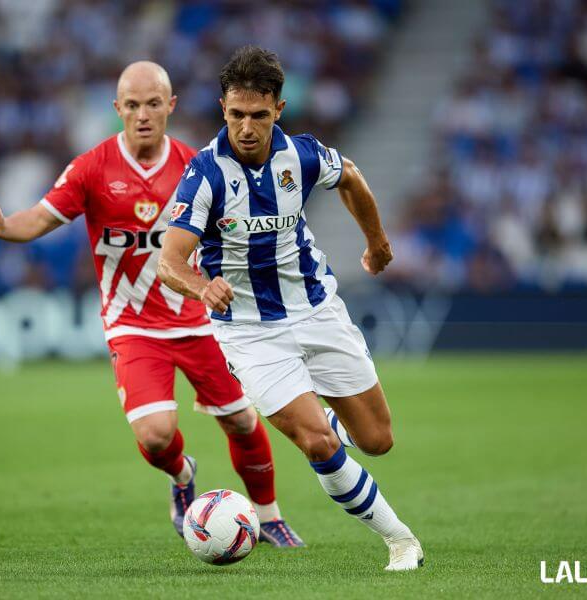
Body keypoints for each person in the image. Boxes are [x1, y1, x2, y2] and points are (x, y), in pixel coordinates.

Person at [0, 61, 303, 547]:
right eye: (132, 105)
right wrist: (5, 227)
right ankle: (182, 473)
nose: (143, 114)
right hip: (133, 326)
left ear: (170, 106)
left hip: (200, 321)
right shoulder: (91, 168)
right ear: (117, 110)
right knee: (154, 436)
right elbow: (39, 220)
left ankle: (270, 516)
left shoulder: (198, 166)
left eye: (153, 104)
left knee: (242, 419)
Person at [157, 46, 423, 570]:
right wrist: (201, 287)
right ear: (222, 109)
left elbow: (349, 176)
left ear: (278, 109)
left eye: (258, 115)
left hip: (317, 309)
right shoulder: (205, 175)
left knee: (377, 441)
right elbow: (169, 260)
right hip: (249, 332)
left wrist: (377, 241)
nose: (247, 127)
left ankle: (319, 412)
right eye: (236, 115)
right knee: (317, 442)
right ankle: (401, 541)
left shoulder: (300, 155)